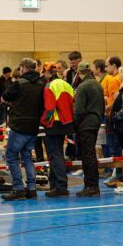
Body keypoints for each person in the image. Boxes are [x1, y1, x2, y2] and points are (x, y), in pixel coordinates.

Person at [0, 58, 46, 201]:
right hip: (34, 126)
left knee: (11, 156)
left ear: (24, 68)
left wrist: (13, 104)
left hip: (19, 125)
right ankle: (32, 189)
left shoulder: (18, 83)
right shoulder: (42, 84)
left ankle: (18, 188)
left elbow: (4, 98)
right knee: (27, 157)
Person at [41, 61, 75, 198]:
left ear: (49, 73)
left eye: (44, 73)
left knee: (55, 156)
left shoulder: (49, 86)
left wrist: (43, 121)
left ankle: (61, 187)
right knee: (57, 154)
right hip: (66, 123)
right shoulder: (67, 85)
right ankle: (55, 185)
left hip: (53, 124)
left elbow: (49, 108)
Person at [73, 61, 105, 197]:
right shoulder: (98, 85)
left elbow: (79, 111)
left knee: (88, 156)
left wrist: (74, 126)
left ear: (79, 73)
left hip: (85, 124)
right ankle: (92, 185)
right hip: (95, 122)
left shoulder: (82, 87)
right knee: (90, 154)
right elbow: (103, 106)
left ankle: (91, 186)